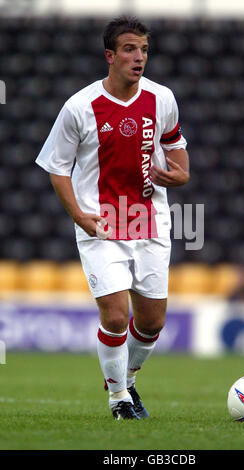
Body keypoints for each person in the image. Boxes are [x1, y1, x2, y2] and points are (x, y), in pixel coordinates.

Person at [35, 16, 189, 420]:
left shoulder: (162, 98)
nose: (139, 58)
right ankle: (119, 400)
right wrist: (80, 216)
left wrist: (181, 173)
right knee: (117, 316)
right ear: (110, 55)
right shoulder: (79, 107)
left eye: (144, 50)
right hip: (102, 222)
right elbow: (56, 167)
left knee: (152, 323)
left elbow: (176, 145)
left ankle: (126, 380)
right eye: (129, 49)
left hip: (150, 219)